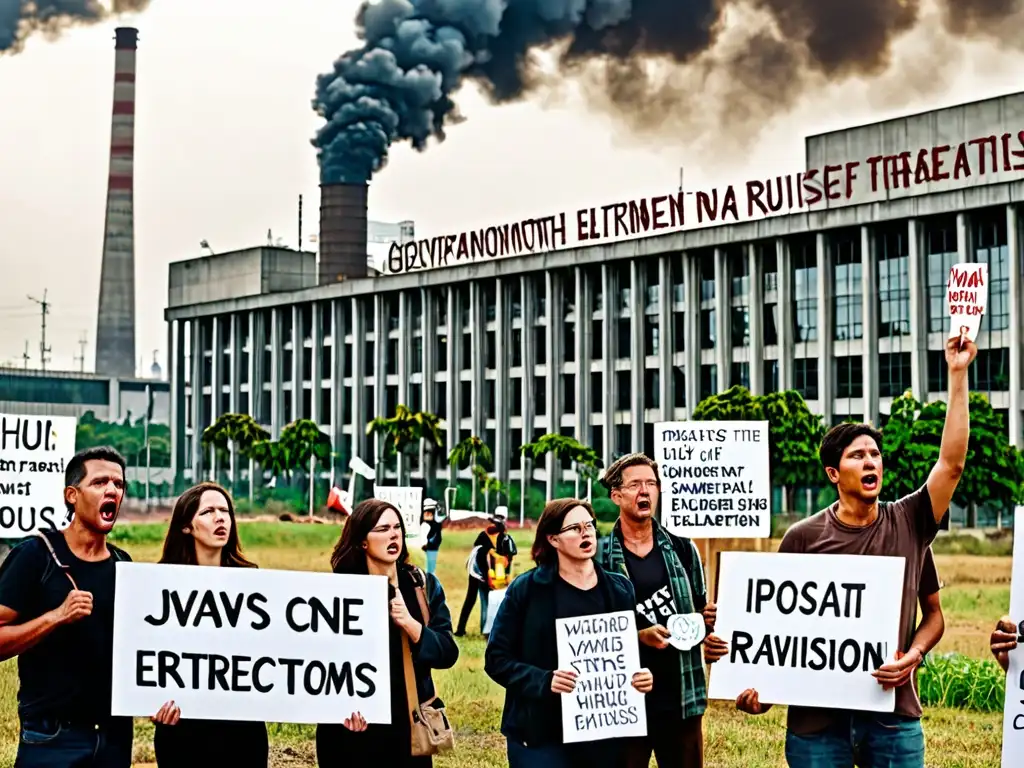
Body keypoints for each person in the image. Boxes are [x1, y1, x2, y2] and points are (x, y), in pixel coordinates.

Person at [735, 337, 976, 768]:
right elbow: (775, 636)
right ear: (833, 472)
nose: (872, 462)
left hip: (892, 720)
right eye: (858, 455)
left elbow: (935, 616)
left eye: (876, 454)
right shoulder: (802, 538)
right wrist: (760, 694)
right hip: (816, 729)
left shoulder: (910, 521)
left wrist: (913, 655)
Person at [485, 498, 654, 768]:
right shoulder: (526, 589)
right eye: (574, 528)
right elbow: (496, 659)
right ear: (553, 539)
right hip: (539, 737)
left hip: (603, 735)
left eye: (590, 526)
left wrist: (642, 677)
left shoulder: (620, 589)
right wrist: (544, 680)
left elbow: (629, 655)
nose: (586, 532)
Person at [0, 446, 134, 768]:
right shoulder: (35, 556)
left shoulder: (124, 565)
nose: (112, 490)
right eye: (100, 482)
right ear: (72, 495)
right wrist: (55, 617)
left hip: (114, 737)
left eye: (119, 484)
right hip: (51, 738)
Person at [594, 452, 723, 768]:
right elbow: (589, 625)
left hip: (680, 694)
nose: (645, 491)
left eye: (651, 483)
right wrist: (638, 636)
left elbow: (699, 610)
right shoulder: (598, 557)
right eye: (635, 484)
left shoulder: (682, 548)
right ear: (616, 495)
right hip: (623, 698)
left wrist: (708, 624)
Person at [316, 498, 459, 767]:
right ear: (362, 541)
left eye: (397, 527)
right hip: (351, 731)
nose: (393, 535)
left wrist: (412, 626)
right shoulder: (338, 592)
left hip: (408, 729)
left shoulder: (421, 586)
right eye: (382, 529)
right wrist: (339, 710)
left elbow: (448, 653)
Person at [149, 481, 269, 768]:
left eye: (225, 511)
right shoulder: (157, 584)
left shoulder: (254, 581)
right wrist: (148, 703)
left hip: (243, 730)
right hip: (183, 729)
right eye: (208, 512)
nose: (220, 518)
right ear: (186, 526)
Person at [454, 505, 517, 637]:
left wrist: (504, 575)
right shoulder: (486, 536)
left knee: (484, 600)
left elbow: (507, 560)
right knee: (479, 599)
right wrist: (489, 575)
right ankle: (476, 631)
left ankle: (484, 630)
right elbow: (483, 555)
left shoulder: (503, 539)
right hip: (477, 569)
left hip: (488, 571)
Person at [419, 498, 444, 576]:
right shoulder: (427, 525)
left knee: (431, 567)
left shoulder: (434, 523)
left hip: (433, 546)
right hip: (431, 547)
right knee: (430, 568)